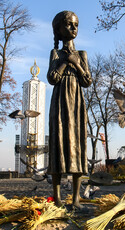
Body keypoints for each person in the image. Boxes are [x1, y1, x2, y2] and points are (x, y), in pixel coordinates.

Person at [47, 11, 92, 209]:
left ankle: (75, 199)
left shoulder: (82, 54)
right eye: (69, 24)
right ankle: (56, 199)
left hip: (76, 104)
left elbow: (87, 81)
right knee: (58, 144)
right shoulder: (55, 54)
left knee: (77, 145)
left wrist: (78, 65)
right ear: (58, 29)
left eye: (76, 25)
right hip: (59, 103)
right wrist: (66, 62)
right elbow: (52, 78)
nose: (74, 28)